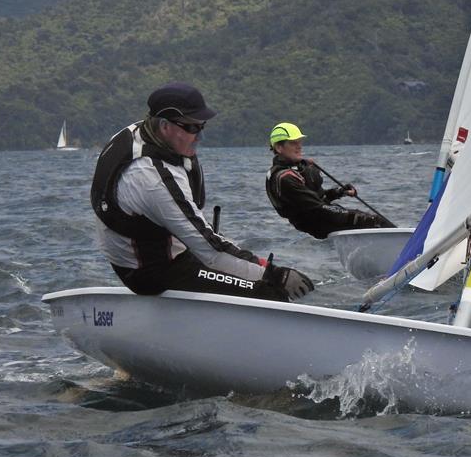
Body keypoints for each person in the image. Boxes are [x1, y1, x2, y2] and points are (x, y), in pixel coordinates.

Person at [91, 82, 313, 302]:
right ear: (166, 126)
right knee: (268, 290)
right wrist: (274, 274)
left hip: (154, 250)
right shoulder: (153, 180)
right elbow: (210, 251)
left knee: (243, 267)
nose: (199, 136)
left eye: (201, 126)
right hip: (150, 272)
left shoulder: (137, 132)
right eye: (191, 128)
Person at [265, 122, 394, 239]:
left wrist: (339, 192)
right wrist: (352, 216)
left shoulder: (289, 171)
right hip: (320, 222)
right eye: (293, 143)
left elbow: (319, 198)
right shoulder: (286, 179)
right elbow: (318, 208)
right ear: (279, 148)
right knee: (375, 221)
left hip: (319, 220)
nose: (299, 146)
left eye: (299, 142)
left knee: (366, 218)